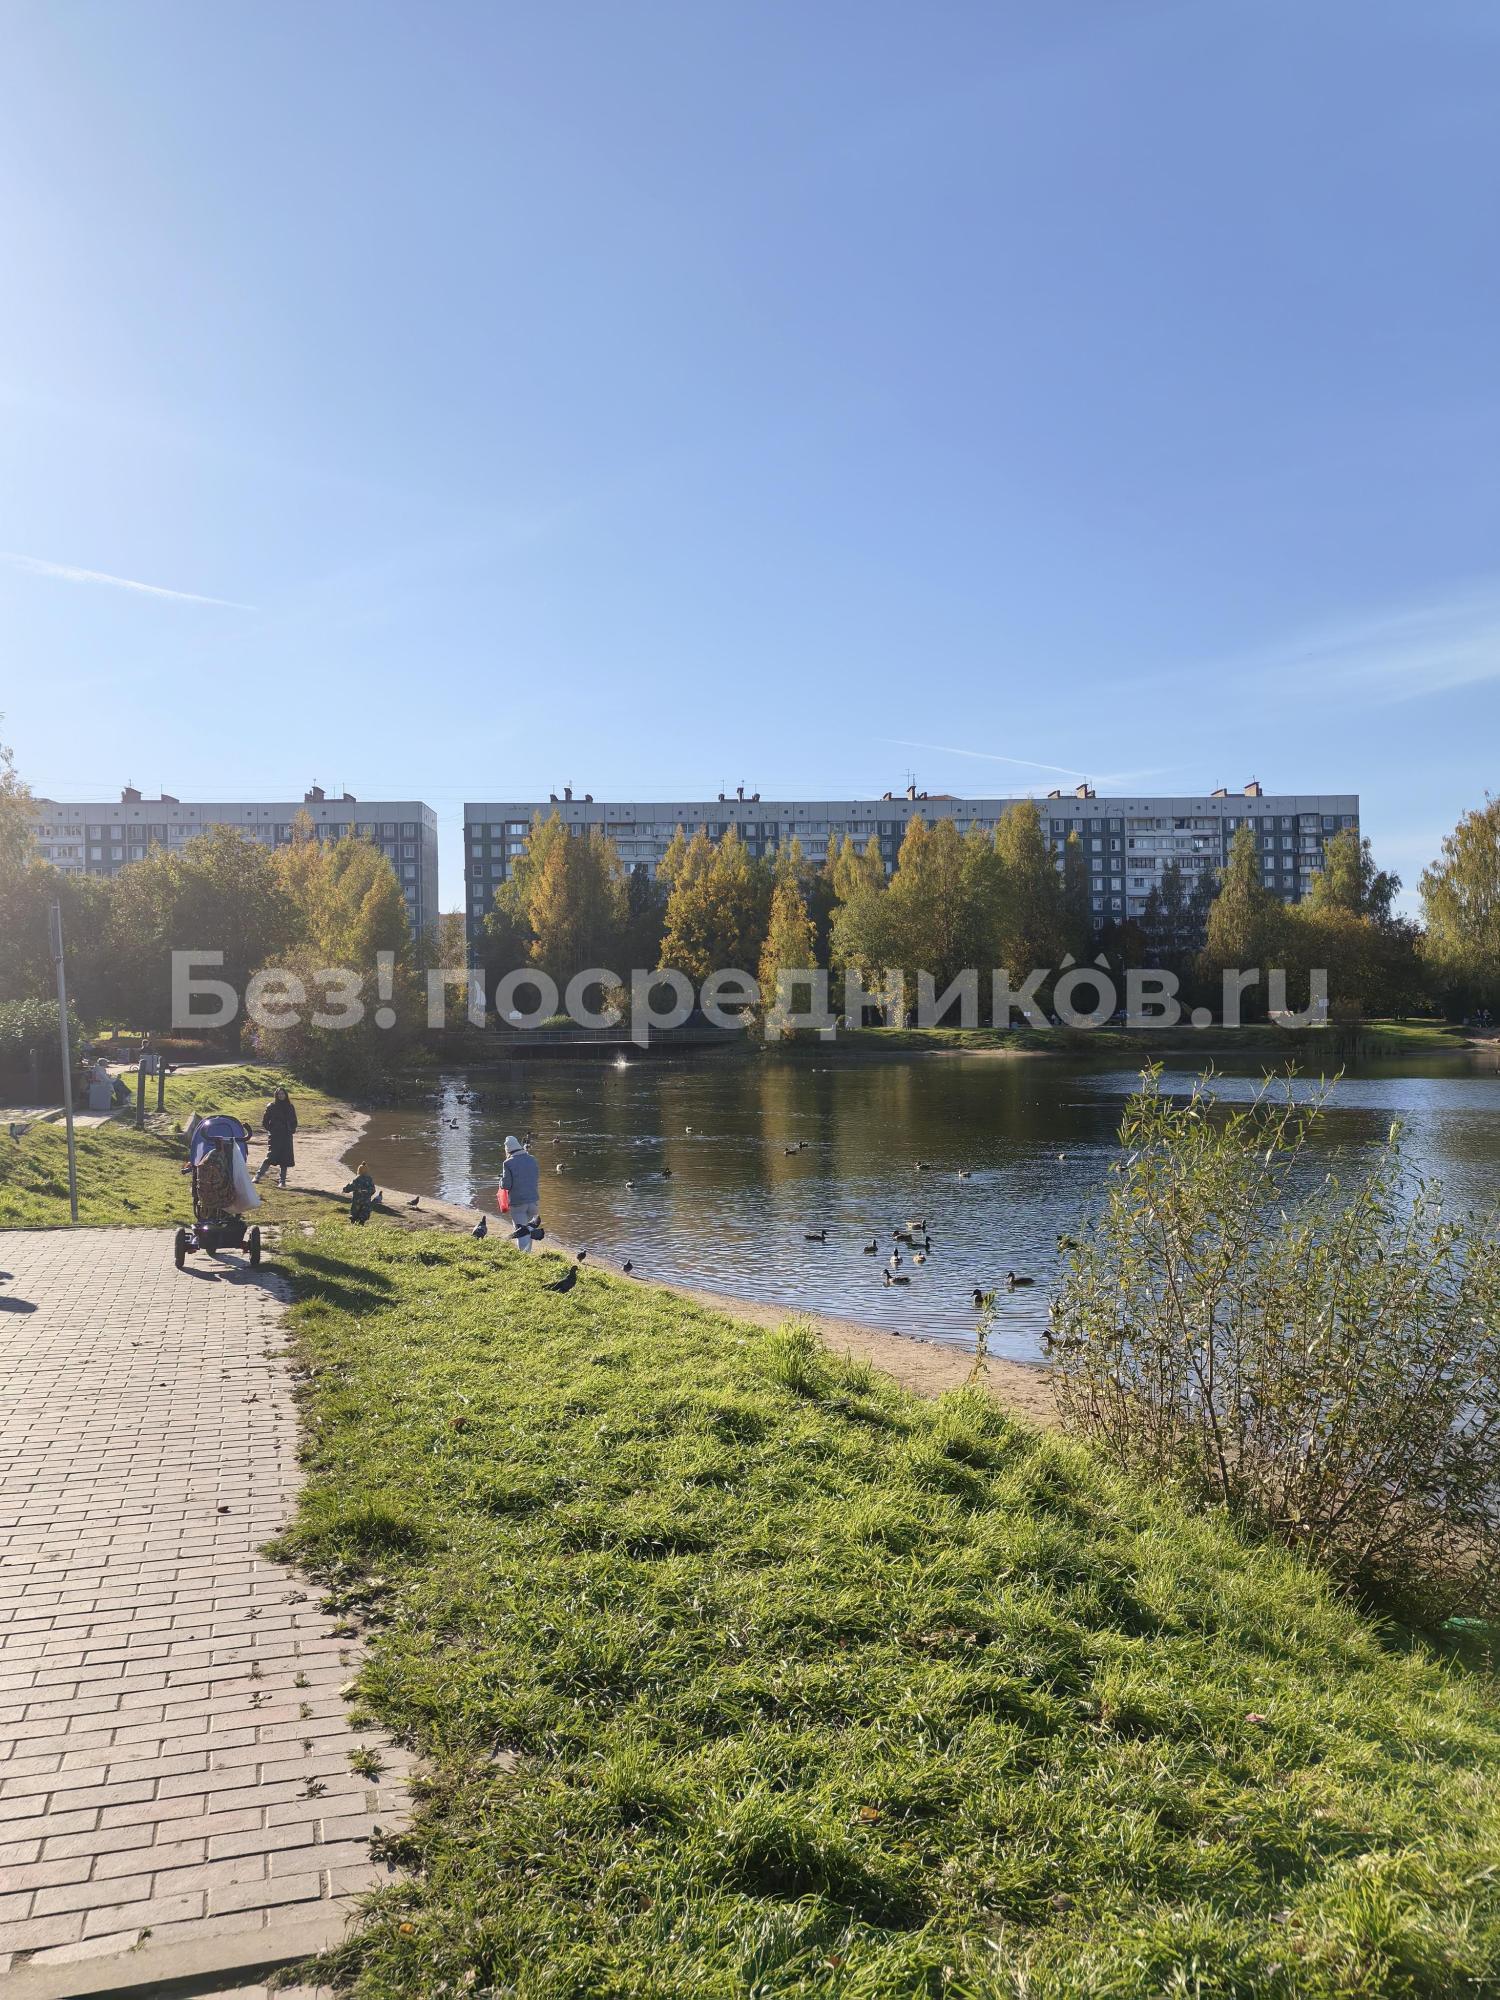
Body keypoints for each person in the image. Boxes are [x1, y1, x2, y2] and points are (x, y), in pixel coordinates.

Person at [499, 1133, 541, 1250]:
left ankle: (524, 1255)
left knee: (521, 1232)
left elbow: (506, 1185)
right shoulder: (532, 1159)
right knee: (530, 1229)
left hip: (518, 1203)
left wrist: (501, 1180)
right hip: (533, 1201)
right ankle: (528, 1253)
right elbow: (535, 1178)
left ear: (508, 1150)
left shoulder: (508, 1163)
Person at [258, 1085, 298, 1188]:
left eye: (283, 1094)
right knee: (270, 1156)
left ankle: (282, 1181)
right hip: (275, 1136)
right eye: (279, 1094)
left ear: (285, 1095)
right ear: (276, 1095)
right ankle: (258, 1176)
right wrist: (271, 1130)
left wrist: (291, 1129)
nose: (281, 1095)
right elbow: (265, 1121)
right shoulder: (271, 1106)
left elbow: (294, 1121)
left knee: (285, 1158)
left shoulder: (290, 1107)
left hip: (286, 1135)